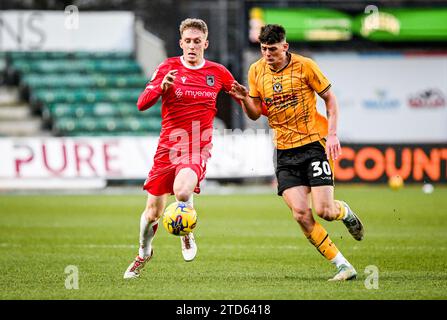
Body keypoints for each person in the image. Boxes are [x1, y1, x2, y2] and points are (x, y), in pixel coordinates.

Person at [230, 24, 364, 281]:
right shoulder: (256, 70)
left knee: (325, 211)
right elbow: (256, 113)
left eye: (272, 49)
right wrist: (245, 99)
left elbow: (330, 99)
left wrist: (333, 134)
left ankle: (343, 211)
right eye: (263, 49)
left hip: (312, 146)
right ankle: (343, 265)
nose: (267, 54)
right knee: (301, 214)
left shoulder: (305, 66)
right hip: (283, 153)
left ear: (285, 46)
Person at [124, 18, 240, 279]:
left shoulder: (218, 72)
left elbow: (243, 98)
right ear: (180, 43)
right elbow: (141, 103)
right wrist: (160, 89)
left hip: (197, 144)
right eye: (187, 41)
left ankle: (186, 232)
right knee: (152, 212)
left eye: (197, 41)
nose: (192, 45)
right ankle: (144, 253)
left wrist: (263, 108)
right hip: (168, 147)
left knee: (183, 191)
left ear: (205, 44)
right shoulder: (168, 67)